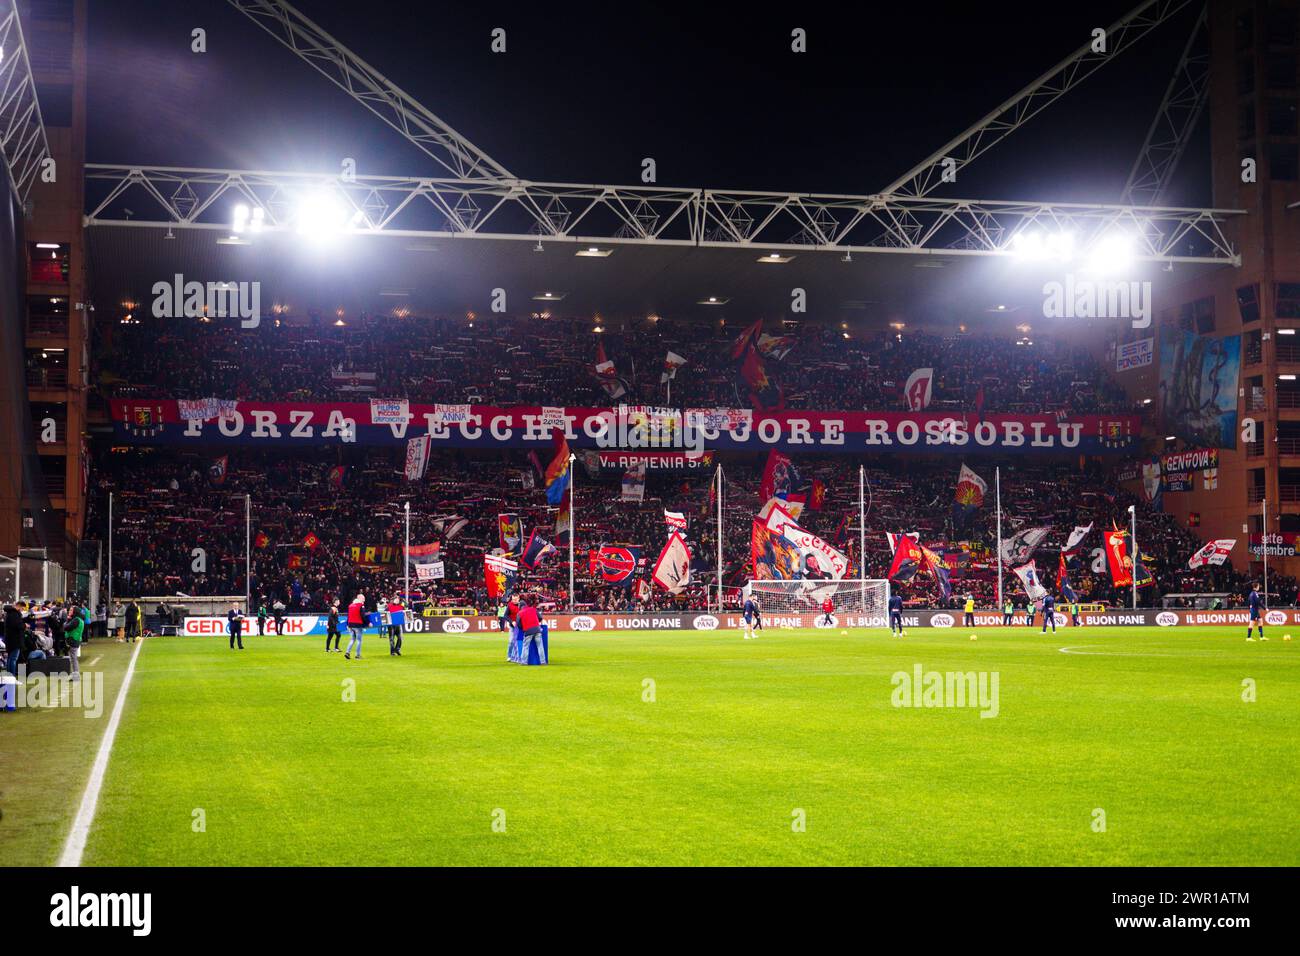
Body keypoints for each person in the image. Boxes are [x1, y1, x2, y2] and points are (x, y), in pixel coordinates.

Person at [517, 595, 546, 665]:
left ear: (520, 606)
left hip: (528, 630)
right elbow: (540, 618)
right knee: (540, 646)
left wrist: (523, 628)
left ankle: (524, 662)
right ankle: (543, 662)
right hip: (537, 629)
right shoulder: (533, 609)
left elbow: (518, 624)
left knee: (525, 647)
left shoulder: (519, 613)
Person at [64, 607, 85, 680]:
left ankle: (76, 675)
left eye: (71, 610)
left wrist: (67, 620)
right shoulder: (79, 619)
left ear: (75, 612)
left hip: (73, 640)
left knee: (73, 659)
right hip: (76, 640)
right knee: (73, 658)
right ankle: (74, 675)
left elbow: (66, 627)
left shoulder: (76, 620)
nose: (69, 611)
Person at [345, 593, 366, 659]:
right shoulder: (361, 605)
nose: (364, 600)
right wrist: (367, 623)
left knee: (352, 639)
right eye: (363, 598)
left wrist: (347, 624)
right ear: (359, 598)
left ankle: (347, 652)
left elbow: (348, 616)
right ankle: (357, 655)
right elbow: (363, 616)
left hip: (350, 625)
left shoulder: (350, 605)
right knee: (359, 640)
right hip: (358, 625)